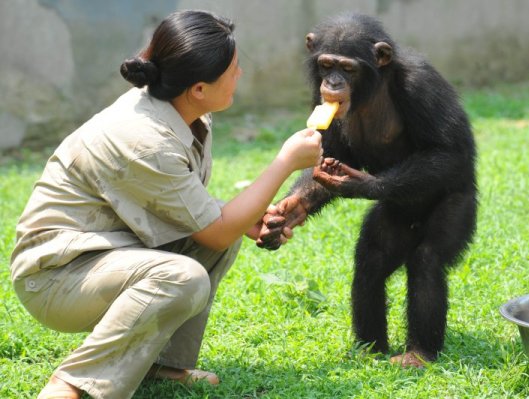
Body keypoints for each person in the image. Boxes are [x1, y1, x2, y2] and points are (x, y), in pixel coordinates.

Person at [10, 10, 322, 399]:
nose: (240, 75)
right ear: (199, 89)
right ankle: (72, 384)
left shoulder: (185, 112)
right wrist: (285, 162)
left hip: (108, 252)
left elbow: (188, 208)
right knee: (182, 275)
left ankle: (158, 365)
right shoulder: (145, 138)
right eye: (233, 70)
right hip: (57, 277)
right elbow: (215, 228)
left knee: (220, 239)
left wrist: (245, 218)